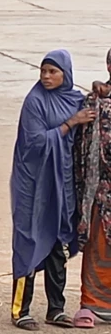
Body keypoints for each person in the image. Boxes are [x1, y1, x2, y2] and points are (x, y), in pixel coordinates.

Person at [9, 50, 93, 330]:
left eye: (52, 72)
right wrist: (70, 124)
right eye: (43, 71)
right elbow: (34, 143)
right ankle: (20, 310)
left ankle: (55, 309)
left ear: (66, 74)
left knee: (58, 244)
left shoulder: (74, 100)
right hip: (34, 183)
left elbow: (97, 112)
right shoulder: (35, 102)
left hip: (62, 184)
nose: (46, 77)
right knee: (29, 242)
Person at [73, 52, 111, 328]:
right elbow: (81, 145)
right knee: (98, 245)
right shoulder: (95, 100)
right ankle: (92, 304)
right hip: (100, 188)